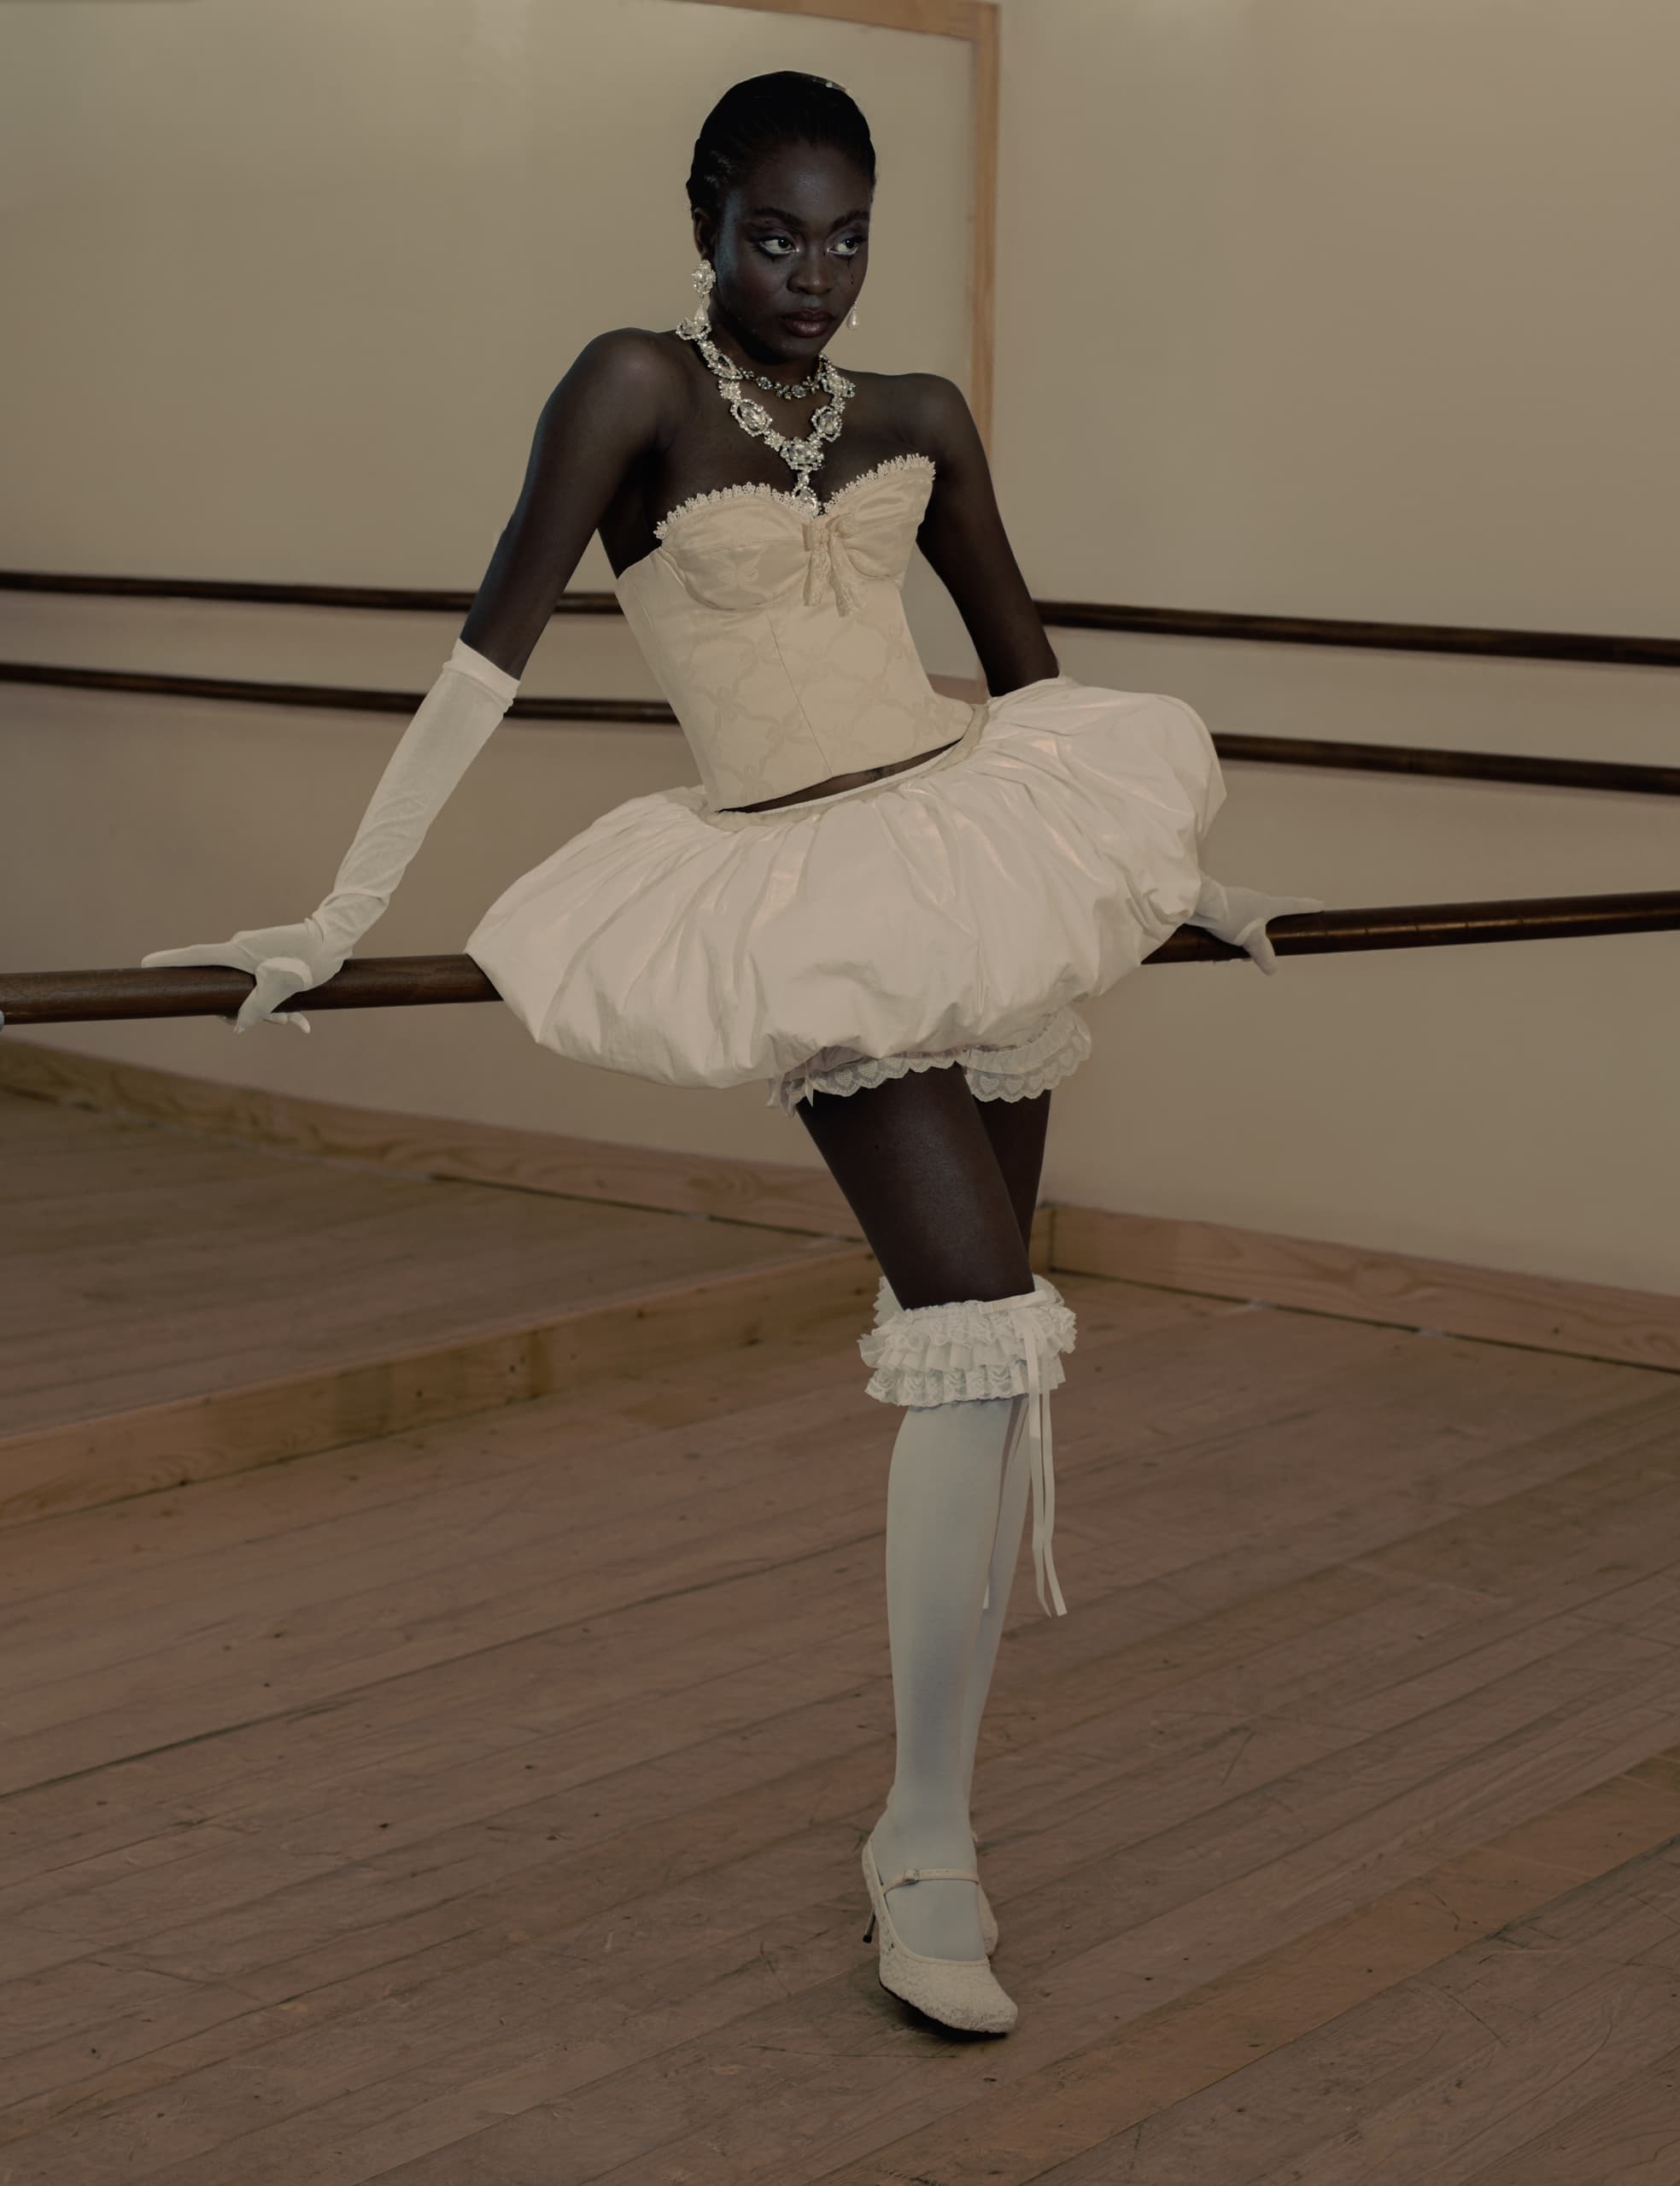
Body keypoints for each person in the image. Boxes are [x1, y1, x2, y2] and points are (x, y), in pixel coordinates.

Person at [141, 71, 1319, 2036]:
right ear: (705, 217)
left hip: (983, 854)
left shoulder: (917, 416)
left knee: (991, 1367)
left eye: (847, 236)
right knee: (977, 1317)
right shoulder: (629, 386)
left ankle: (927, 1814)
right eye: (777, 233)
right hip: (811, 895)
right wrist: (333, 918)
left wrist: (1186, 878)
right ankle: (925, 1842)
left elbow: (1031, 678)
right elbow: (479, 663)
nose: (815, 276)